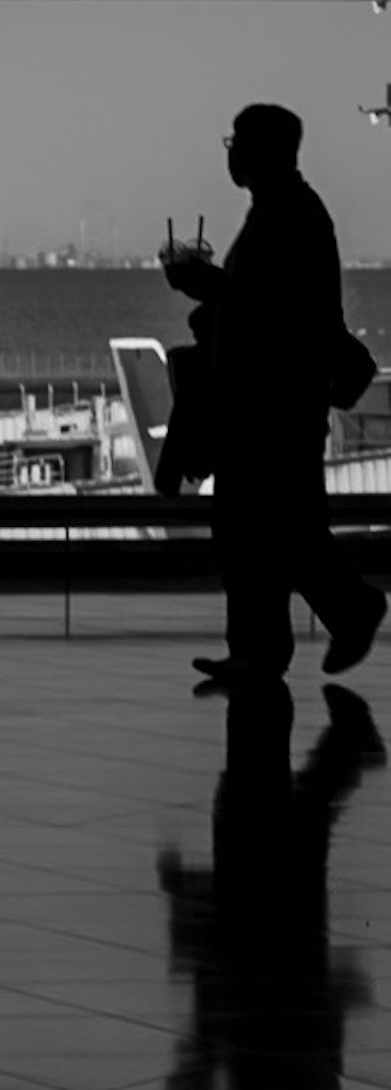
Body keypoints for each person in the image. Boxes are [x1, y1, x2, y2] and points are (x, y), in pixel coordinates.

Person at [164, 103, 386, 685]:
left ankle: (326, 619)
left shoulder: (290, 217)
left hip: (275, 406)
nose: (231, 153)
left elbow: (286, 314)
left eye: (237, 142)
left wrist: (216, 290)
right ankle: (270, 645)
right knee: (266, 530)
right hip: (270, 404)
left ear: (265, 151)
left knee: (265, 530)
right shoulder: (284, 212)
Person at [161, 681, 378, 1090]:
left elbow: (313, 1038)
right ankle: (333, 741)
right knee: (275, 830)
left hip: (292, 957)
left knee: (293, 833)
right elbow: (231, 1018)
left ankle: (340, 745)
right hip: (270, 957)